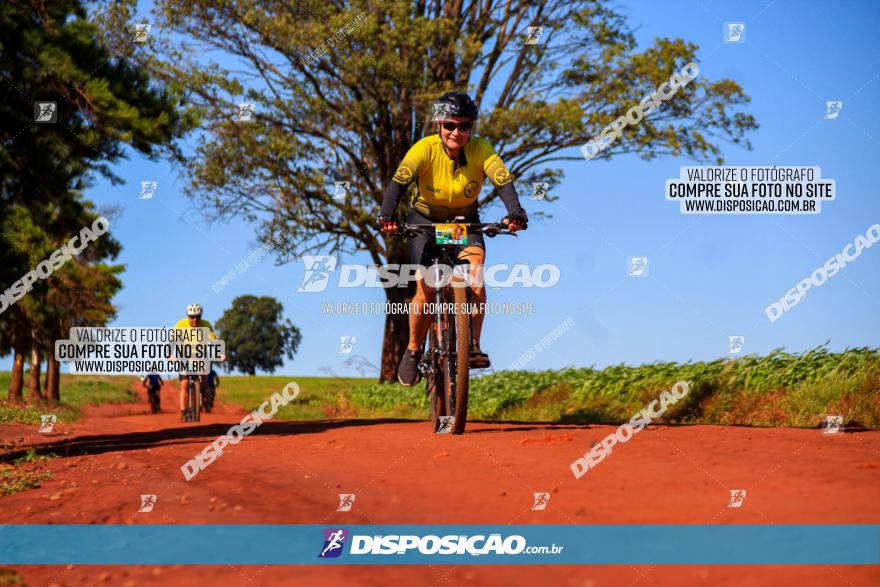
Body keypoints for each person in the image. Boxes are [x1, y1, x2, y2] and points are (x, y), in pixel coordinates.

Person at [378, 91, 528, 386]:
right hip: (424, 221)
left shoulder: (482, 149)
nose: (456, 132)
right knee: (424, 289)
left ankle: (472, 346)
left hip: (464, 221)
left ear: (471, 128)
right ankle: (412, 350)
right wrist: (387, 216)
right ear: (439, 125)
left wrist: (516, 212)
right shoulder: (423, 149)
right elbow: (398, 182)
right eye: (450, 125)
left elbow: (502, 181)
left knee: (476, 276)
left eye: (464, 126)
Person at [174, 304, 217, 422]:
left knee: (204, 376)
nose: (195, 320)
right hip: (184, 357)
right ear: (188, 316)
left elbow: (213, 340)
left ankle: (201, 392)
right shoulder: (180, 325)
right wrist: (170, 355)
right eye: (192, 317)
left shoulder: (206, 325)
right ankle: (183, 412)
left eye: (197, 317)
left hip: (200, 355)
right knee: (185, 383)